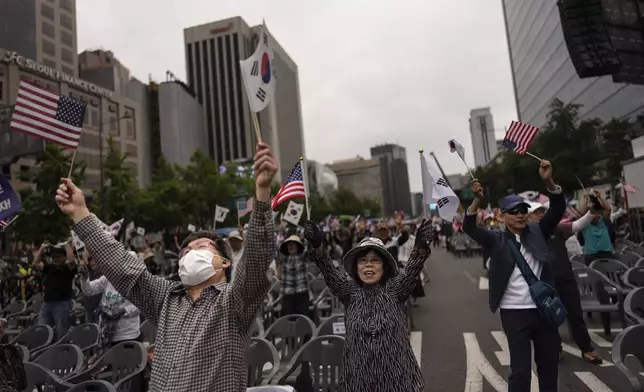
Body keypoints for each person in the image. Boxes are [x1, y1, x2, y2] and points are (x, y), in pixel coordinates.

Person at [55, 142, 278, 392]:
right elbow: (121, 265)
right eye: (187, 251)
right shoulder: (166, 299)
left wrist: (261, 193)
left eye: (202, 247)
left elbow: (257, 259)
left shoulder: (235, 302)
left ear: (224, 263)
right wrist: (81, 213)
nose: (191, 253)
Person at [464, 160, 565, 392]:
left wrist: (548, 181)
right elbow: (470, 229)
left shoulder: (539, 230)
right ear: (501, 216)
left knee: (549, 366)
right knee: (520, 372)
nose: (520, 216)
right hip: (514, 312)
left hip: (544, 309)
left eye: (523, 211)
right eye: (514, 212)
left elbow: (557, 209)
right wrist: (477, 201)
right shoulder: (496, 239)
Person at [302, 219, 433, 392]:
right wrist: (318, 245)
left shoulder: (395, 289)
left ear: (384, 266)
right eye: (363, 260)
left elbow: (413, 269)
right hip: (359, 384)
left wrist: (421, 248)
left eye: (375, 260)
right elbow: (328, 271)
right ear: (356, 267)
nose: (368, 264)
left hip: (399, 383)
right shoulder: (349, 291)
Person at [527, 203, 603, 364]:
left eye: (542, 211)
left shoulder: (558, 229)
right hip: (545, 283)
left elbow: (578, 224)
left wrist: (591, 212)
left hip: (566, 279)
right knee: (550, 318)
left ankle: (587, 349)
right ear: (529, 217)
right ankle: (555, 349)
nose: (540, 215)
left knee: (575, 315)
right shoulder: (527, 234)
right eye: (536, 213)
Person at [78, 251, 141, 351]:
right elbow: (89, 290)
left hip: (128, 335)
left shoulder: (138, 282)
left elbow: (141, 306)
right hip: (107, 335)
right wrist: (84, 278)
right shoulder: (109, 278)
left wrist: (123, 311)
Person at [33, 241, 76, 340]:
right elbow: (36, 262)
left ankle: (62, 352)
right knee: (41, 331)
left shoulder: (68, 269)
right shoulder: (49, 268)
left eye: (58, 257)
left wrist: (66, 245)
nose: (55, 259)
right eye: (54, 257)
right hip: (46, 304)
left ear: (64, 257)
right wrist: (42, 248)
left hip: (61, 305)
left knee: (61, 333)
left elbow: (72, 260)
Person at [278, 235, 311, 317]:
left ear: (298, 247)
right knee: (288, 321)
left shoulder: (302, 258)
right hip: (287, 294)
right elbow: (276, 252)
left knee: (304, 320)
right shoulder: (284, 260)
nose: (290, 246)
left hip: (302, 294)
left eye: (293, 244)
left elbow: (309, 248)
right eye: (289, 245)